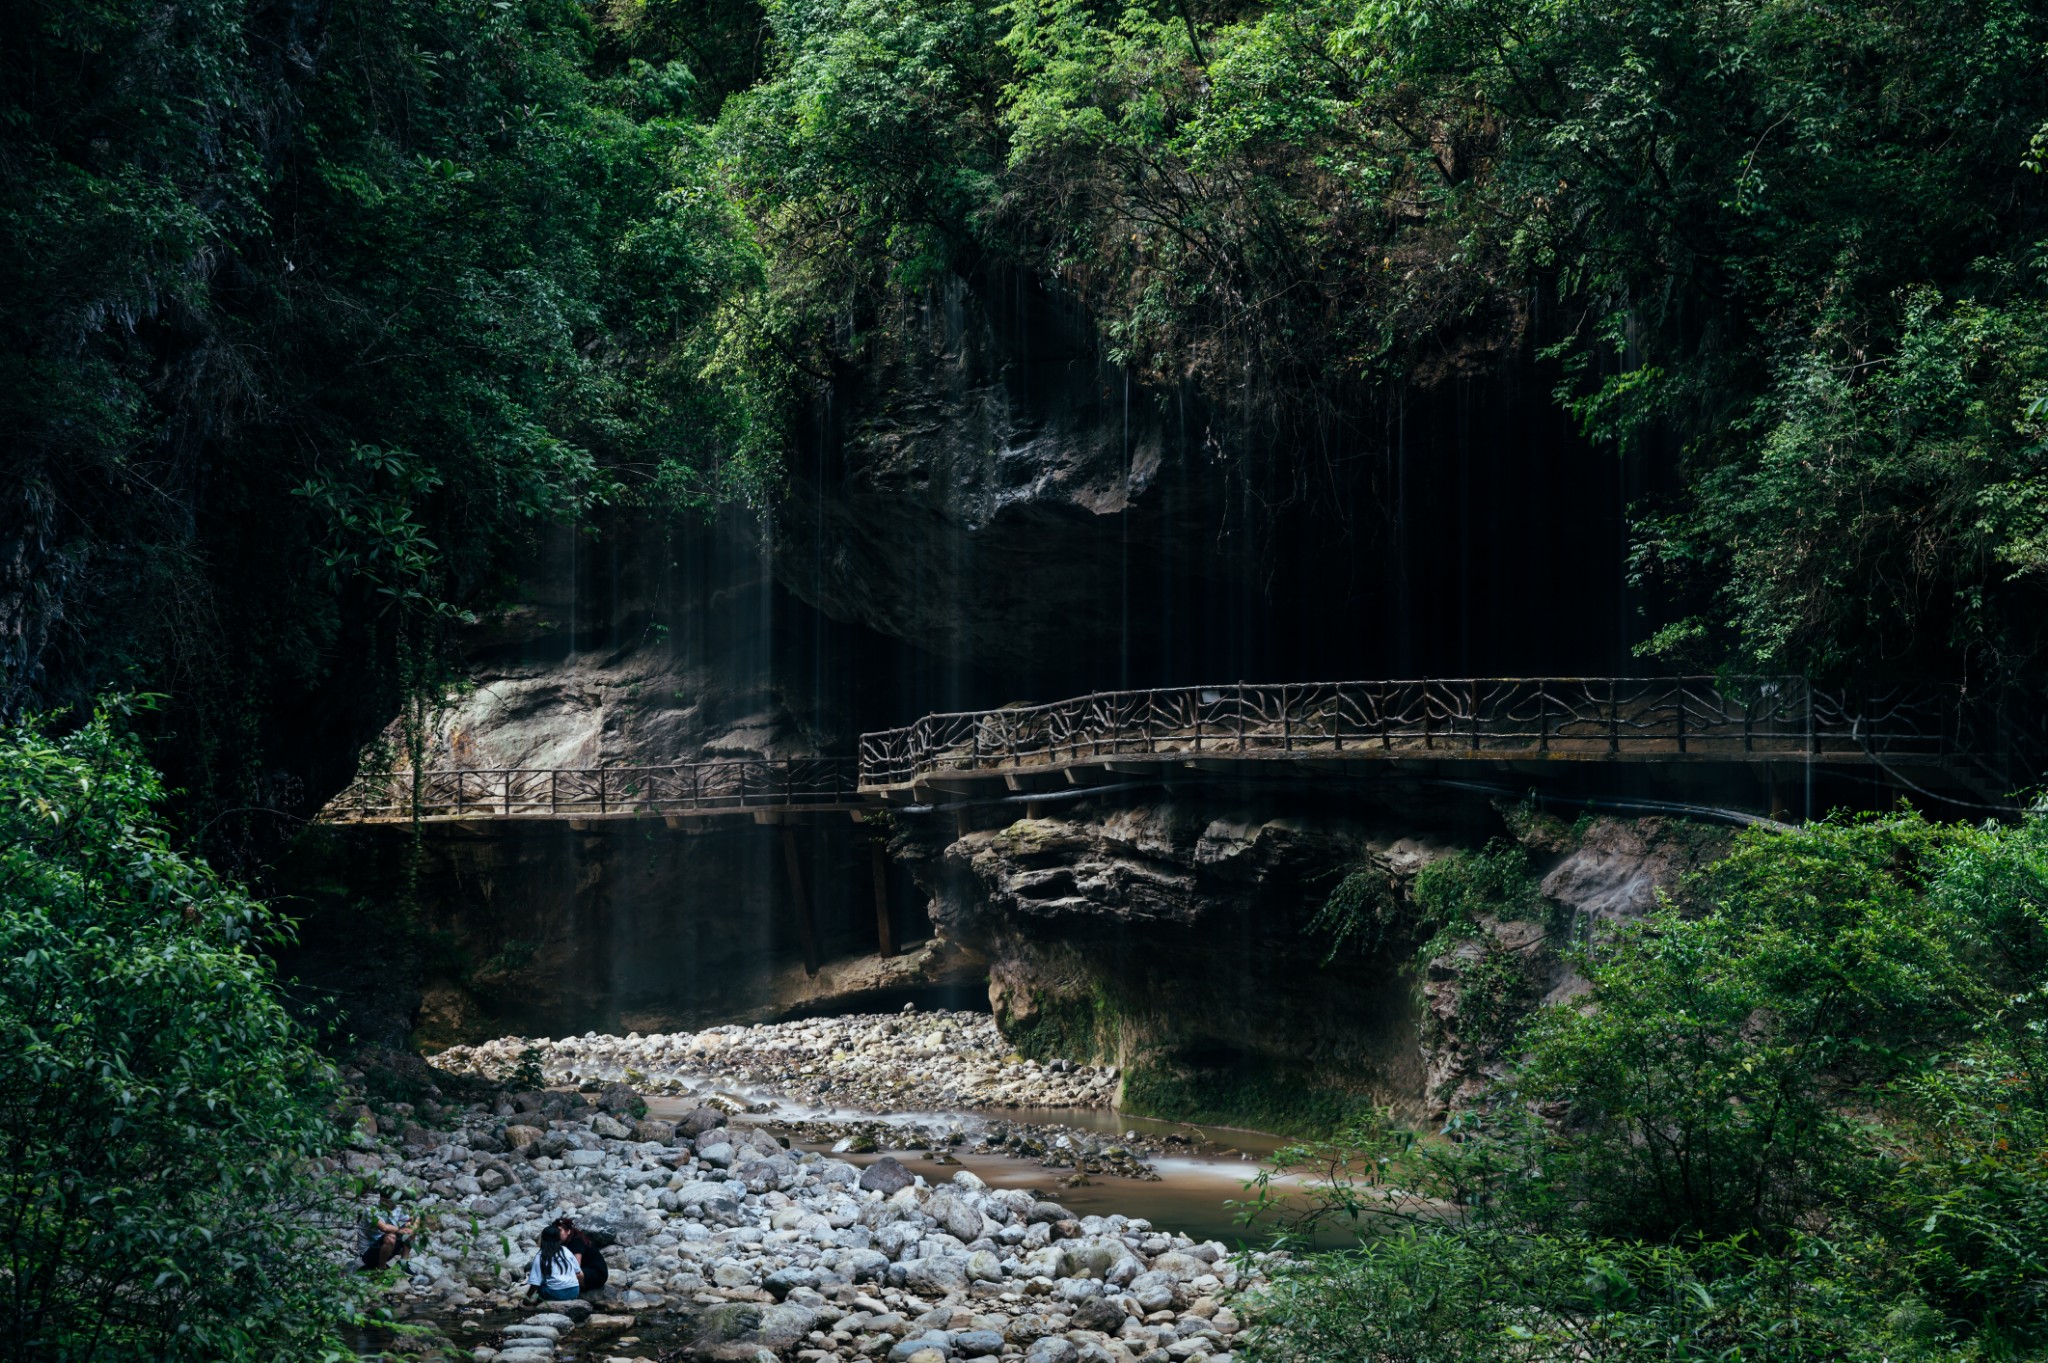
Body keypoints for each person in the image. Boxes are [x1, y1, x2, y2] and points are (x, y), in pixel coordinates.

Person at [526, 1225, 583, 1302]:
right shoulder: (565, 1250)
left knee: (541, 1283)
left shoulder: (541, 1256)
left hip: (556, 1293)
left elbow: (535, 1283)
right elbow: (578, 1271)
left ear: (543, 1239)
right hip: (574, 1291)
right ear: (558, 1238)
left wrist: (526, 1299)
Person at [555, 1217, 608, 1295]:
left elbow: (576, 1266)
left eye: (559, 1230)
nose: (556, 1233)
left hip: (596, 1274)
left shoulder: (576, 1241)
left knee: (573, 1273)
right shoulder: (564, 1242)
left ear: (568, 1231)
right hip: (585, 1270)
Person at [356, 1202, 412, 1272]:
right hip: (368, 1253)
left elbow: (413, 1218)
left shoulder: (397, 1209)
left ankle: (403, 1263)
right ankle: (381, 1269)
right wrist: (399, 1230)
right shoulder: (370, 1211)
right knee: (391, 1237)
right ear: (382, 1199)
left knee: (409, 1230)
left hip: (386, 1249)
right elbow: (384, 1228)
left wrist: (410, 1224)